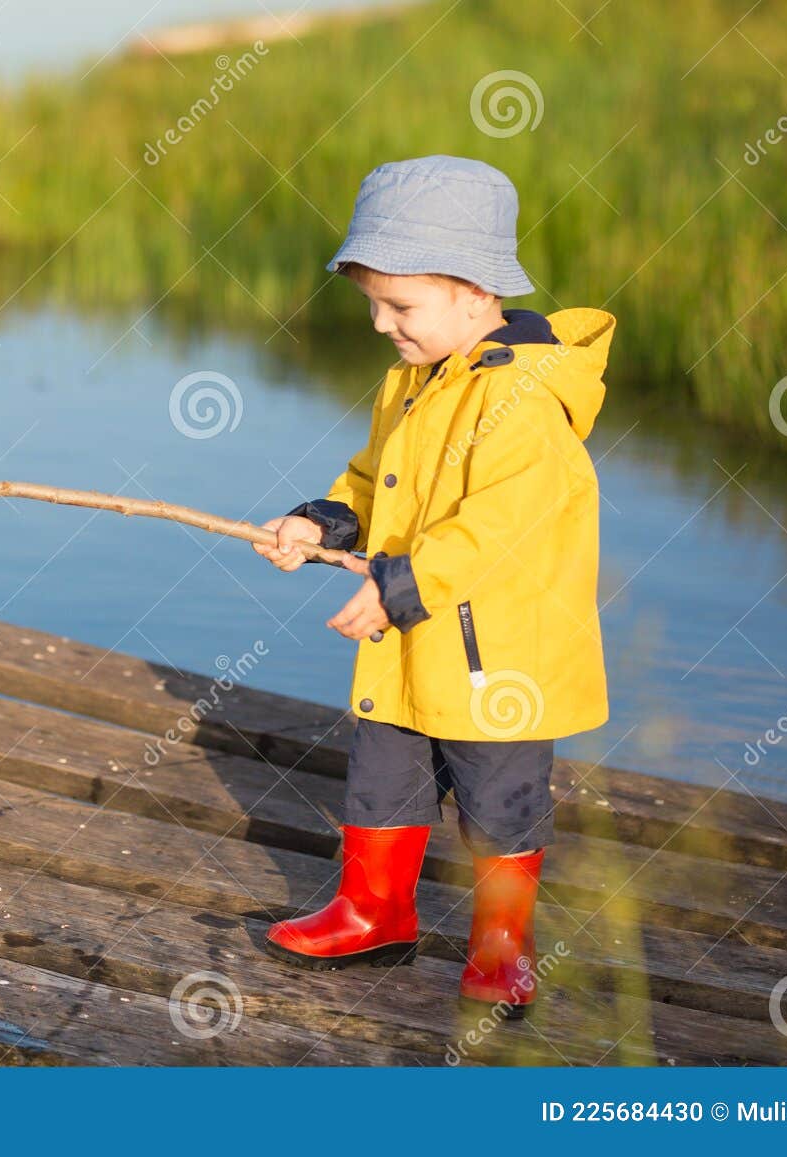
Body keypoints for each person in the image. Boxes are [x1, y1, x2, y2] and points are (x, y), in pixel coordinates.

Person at [251, 155, 616, 1018]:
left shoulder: (523, 401)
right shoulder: (416, 380)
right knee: (383, 780)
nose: (381, 324)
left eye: (400, 305)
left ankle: (501, 950)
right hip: (408, 641)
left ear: (474, 293)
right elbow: (377, 482)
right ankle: (374, 910)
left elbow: (500, 530)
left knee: (501, 799)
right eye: (373, 302)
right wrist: (324, 525)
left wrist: (397, 587)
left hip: (499, 659)